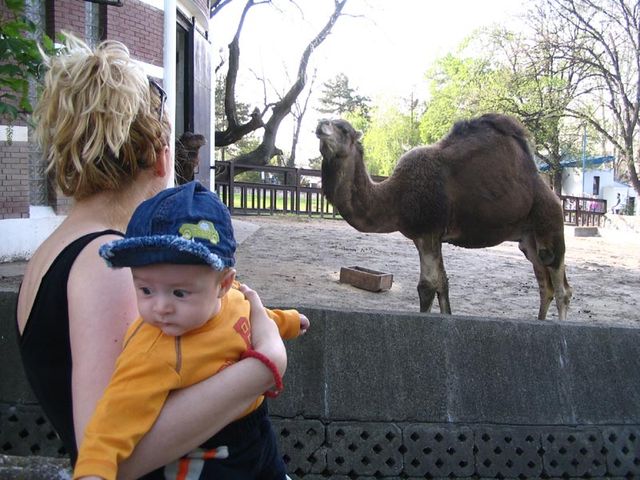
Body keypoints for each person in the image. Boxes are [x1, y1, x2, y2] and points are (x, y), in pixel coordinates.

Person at [16, 33, 290, 479]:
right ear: (162, 159)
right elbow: (114, 456)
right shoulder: (105, 263)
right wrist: (264, 367)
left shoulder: (54, 249)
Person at [73, 181, 309, 480]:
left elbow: (254, 319)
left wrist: (290, 321)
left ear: (223, 284)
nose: (161, 307)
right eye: (145, 289)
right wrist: (93, 471)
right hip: (208, 453)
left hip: (257, 432)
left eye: (179, 293)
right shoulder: (152, 352)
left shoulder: (235, 298)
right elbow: (113, 419)